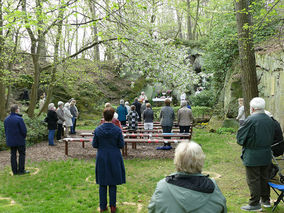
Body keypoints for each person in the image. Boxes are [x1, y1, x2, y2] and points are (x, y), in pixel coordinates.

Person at [148, 141, 227, 213]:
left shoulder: (163, 187)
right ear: (201, 160)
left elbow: (152, 210)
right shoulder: (213, 189)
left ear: (177, 160)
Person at [237, 97, 275, 211]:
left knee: (253, 179)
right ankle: (265, 200)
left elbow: (240, 138)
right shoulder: (270, 119)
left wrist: (247, 143)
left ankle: (254, 204)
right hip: (266, 153)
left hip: (253, 154)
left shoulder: (250, 120)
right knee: (264, 178)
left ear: (252, 108)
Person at [92, 107, 125, 213]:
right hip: (114, 156)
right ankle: (112, 206)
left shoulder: (98, 130)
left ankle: (102, 206)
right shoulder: (117, 130)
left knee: (102, 182)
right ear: (113, 116)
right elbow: (121, 144)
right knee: (112, 182)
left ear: (104, 116)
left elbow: (94, 144)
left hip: (102, 156)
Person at [4, 105, 29, 175]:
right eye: (18, 109)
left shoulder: (6, 119)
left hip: (11, 140)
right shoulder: (19, 119)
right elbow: (24, 130)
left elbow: (6, 130)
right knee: (22, 154)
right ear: (16, 110)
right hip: (19, 140)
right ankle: (21, 170)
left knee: (13, 155)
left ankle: (14, 171)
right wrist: (24, 137)